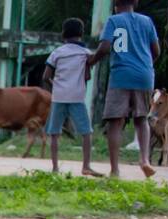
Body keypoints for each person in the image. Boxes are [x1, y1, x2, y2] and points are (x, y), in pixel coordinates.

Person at [87, 0, 161, 178]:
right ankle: (144, 160)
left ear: (114, 3)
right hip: (145, 76)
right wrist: (145, 66)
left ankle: (115, 170)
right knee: (141, 119)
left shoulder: (114, 21)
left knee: (115, 122)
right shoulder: (147, 21)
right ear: (135, 2)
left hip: (121, 76)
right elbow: (156, 51)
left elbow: (104, 48)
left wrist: (91, 61)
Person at [44, 18, 102, 177]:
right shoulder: (85, 53)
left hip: (59, 96)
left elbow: (46, 76)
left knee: (54, 133)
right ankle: (86, 166)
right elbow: (89, 71)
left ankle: (55, 168)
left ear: (63, 34)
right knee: (86, 133)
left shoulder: (57, 52)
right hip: (76, 97)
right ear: (81, 34)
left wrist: (55, 87)